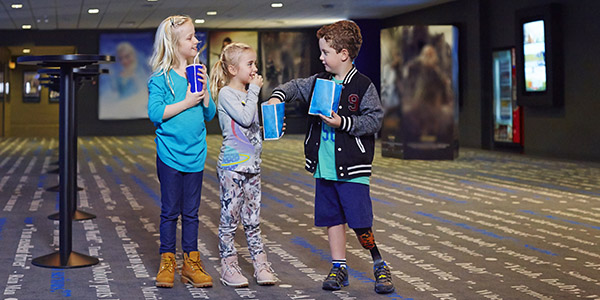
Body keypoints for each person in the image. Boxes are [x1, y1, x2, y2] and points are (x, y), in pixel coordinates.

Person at [267, 20, 395, 294]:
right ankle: (339, 267)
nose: (321, 57)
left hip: (353, 167)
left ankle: (379, 263)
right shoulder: (318, 81)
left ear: (343, 54)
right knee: (332, 219)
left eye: (325, 52)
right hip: (324, 167)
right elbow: (293, 87)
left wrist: (344, 123)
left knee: (360, 222)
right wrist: (278, 97)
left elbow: (374, 120)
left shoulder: (363, 86)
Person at [147, 15, 216, 289]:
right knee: (169, 212)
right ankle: (168, 262)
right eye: (189, 37)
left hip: (195, 154)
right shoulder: (161, 79)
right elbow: (155, 113)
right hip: (170, 156)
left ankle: (191, 263)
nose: (196, 40)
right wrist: (188, 101)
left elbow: (209, 114)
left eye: (195, 35)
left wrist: (206, 91)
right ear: (173, 44)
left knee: (192, 213)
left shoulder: (198, 71)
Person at [209, 42, 277, 287]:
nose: (255, 68)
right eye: (250, 64)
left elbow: (253, 130)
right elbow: (246, 118)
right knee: (230, 218)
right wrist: (256, 92)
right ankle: (228, 265)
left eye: (255, 63)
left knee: (253, 218)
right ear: (232, 68)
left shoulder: (248, 94)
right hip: (232, 168)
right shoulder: (227, 93)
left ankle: (260, 263)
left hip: (252, 167)